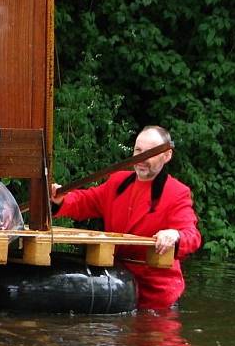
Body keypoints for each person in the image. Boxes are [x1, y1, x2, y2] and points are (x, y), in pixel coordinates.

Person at [50, 125, 201, 309]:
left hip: (155, 297)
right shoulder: (117, 181)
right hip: (115, 285)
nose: (141, 159)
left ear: (166, 156)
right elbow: (86, 200)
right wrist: (61, 200)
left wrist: (174, 235)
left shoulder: (177, 193)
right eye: (138, 151)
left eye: (149, 153)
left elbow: (191, 235)